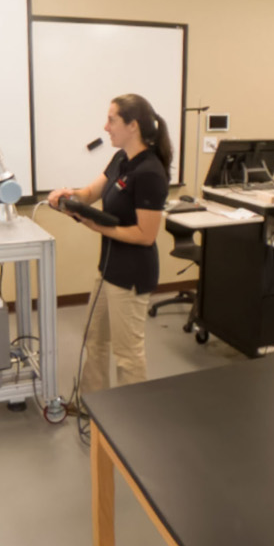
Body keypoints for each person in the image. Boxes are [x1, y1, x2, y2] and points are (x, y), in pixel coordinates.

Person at [48, 93, 172, 398]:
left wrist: (97, 225)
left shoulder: (150, 173)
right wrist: (69, 196)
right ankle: (96, 407)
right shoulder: (121, 159)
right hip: (108, 269)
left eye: (112, 119)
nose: (105, 127)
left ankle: (131, 425)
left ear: (133, 126)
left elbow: (146, 235)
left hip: (131, 276)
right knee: (96, 340)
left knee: (128, 355)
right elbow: (91, 192)